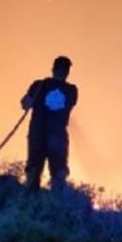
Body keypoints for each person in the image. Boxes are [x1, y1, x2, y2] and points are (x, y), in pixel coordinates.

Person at [21, 55, 78, 191]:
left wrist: (36, 96)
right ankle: (54, 207)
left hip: (39, 136)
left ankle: (29, 205)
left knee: (34, 173)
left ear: (53, 69)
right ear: (66, 71)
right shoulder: (71, 90)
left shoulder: (39, 85)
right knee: (58, 176)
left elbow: (25, 103)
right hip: (56, 137)